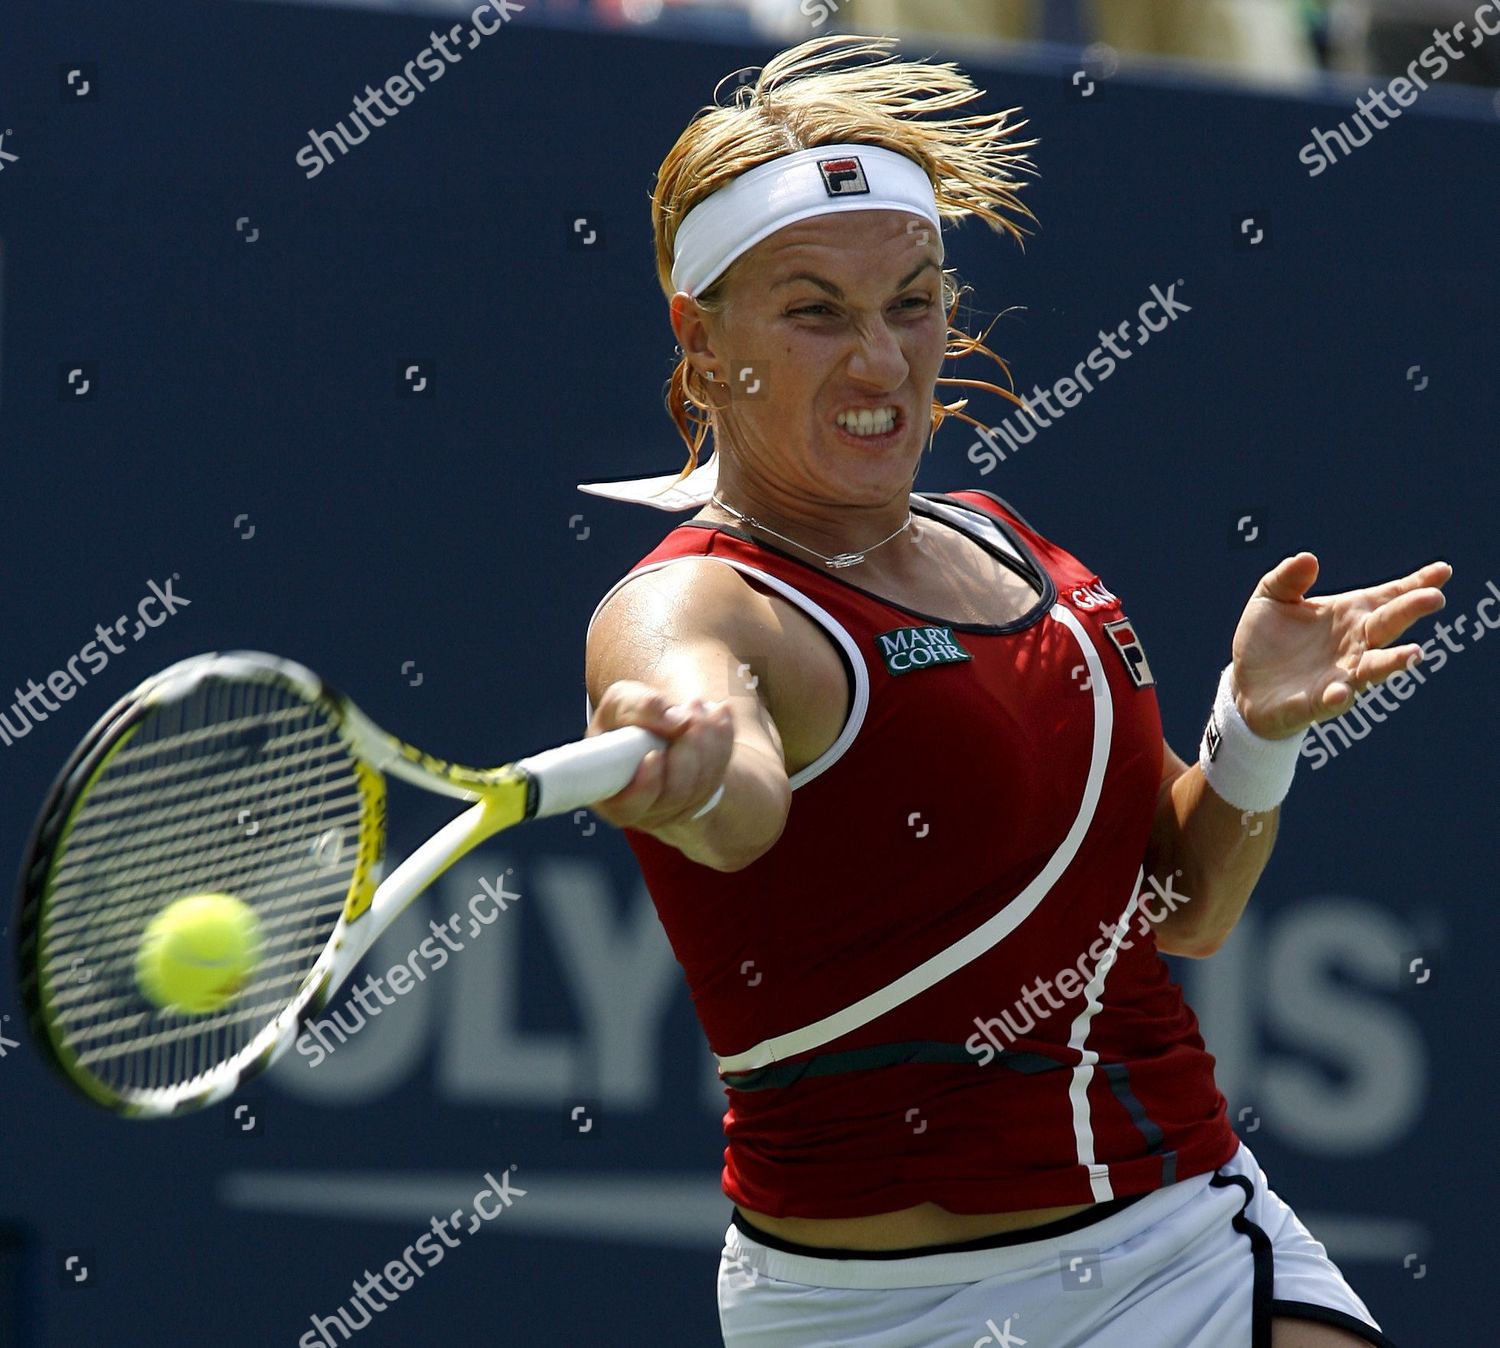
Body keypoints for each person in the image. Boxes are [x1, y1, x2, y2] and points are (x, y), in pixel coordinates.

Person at [577, 34, 1445, 1347]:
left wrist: (1254, 734)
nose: (880, 361)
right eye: (816, 311)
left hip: (1185, 1235)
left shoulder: (1010, 547)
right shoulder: (690, 607)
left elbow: (1189, 907)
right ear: (702, 342)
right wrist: (693, 759)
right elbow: (736, 791)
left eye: (913, 302)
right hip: (865, 1318)